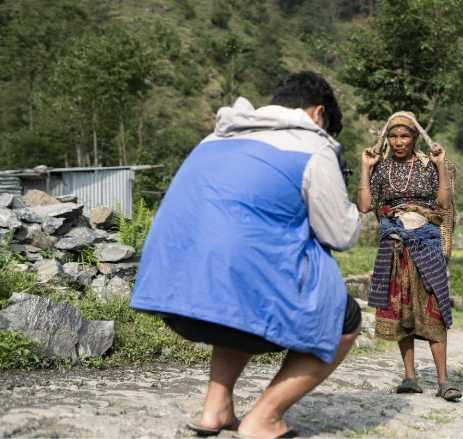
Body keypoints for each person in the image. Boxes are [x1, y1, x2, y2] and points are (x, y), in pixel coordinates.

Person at [129, 71, 362, 439]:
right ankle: (264, 419)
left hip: (171, 295)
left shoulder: (217, 136)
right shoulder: (313, 146)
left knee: (240, 286)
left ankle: (215, 409)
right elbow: (341, 234)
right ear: (319, 115)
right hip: (221, 297)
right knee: (345, 317)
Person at [357, 111, 462, 401]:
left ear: (415, 137)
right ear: (387, 139)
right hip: (394, 246)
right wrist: (365, 167)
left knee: (435, 307)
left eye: (404, 136)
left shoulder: (429, 166)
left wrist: (440, 166)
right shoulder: (381, 170)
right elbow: (366, 206)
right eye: (393, 136)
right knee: (400, 307)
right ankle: (410, 378)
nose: (398, 141)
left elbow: (443, 203)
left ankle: (444, 381)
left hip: (426, 244)